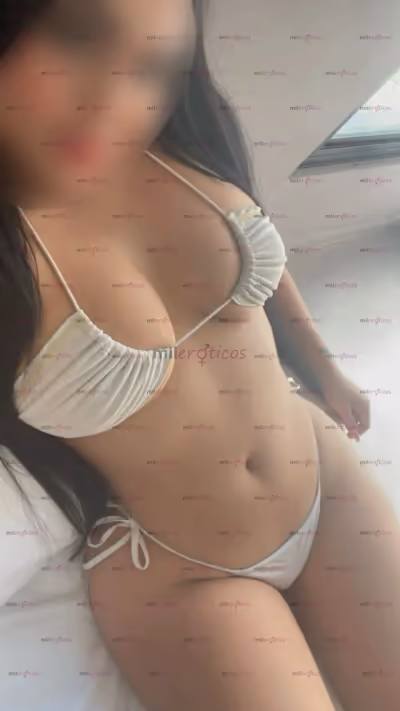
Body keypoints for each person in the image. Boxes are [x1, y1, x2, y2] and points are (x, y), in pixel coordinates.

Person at [1, 1, 398, 710]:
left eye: (153, 66)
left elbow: (261, 252)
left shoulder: (178, 144)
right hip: (185, 570)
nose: (113, 98)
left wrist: (324, 370)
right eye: (79, 38)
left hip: (322, 476)